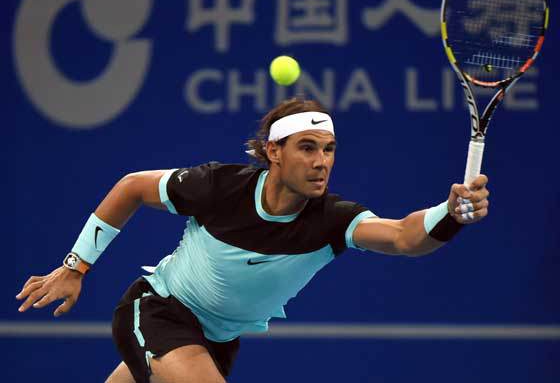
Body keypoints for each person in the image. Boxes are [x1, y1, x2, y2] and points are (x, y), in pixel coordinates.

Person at [16, 98, 489, 383]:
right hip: (159, 311)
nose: (321, 161)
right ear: (273, 152)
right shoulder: (218, 187)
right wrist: (76, 266)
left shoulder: (331, 220)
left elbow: (406, 237)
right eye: (307, 148)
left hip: (218, 340)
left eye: (328, 150)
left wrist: (450, 213)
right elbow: (132, 187)